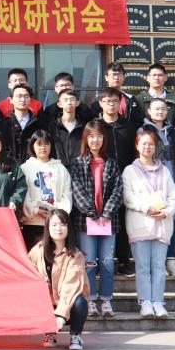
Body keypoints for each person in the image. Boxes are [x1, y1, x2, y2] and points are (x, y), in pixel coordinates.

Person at [69, 120, 123, 318]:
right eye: (91, 136)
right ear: (85, 138)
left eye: (99, 136)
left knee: (107, 263)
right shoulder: (77, 163)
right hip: (86, 222)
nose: (95, 140)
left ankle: (106, 299)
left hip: (109, 222)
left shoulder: (112, 163)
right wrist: (92, 213)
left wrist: (107, 213)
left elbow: (118, 190)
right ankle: (90, 299)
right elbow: (77, 191)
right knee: (89, 262)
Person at [122, 129, 175, 318]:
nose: (147, 147)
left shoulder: (165, 171)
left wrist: (167, 212)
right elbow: (128, 197)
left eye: (151, 144)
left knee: (159, 267)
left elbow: (172, 196)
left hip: (162, 224)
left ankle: (158, 302)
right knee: (143, 267)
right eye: (144, 143)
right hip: (140, 224)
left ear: (156, 147)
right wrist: (147, 208)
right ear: (137, 146)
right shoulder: (130, 171)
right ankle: (145, 302)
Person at [141, 97, 175, 277]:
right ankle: (158, 262)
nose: (160, 112)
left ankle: (171, 261)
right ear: (149, 111)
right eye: (156, 109)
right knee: (155, 219)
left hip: (173, 178)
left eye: (163, 109)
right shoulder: (143, 130)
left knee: (170, 219)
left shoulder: (173, 131)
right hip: (152, 180)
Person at [28, 209, 89, 350]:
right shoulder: (38, 250)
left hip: (68, 302)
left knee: (80, 302)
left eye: (62, 224)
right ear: (47, 228)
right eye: (54, 225)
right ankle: (49, 332)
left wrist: (61, 313)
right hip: (47, 301)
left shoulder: (75, 255)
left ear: (69, 227)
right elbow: (27, 271)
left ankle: (76, 335)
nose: (58, 228)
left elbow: (71, 286)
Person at [96, 86, 138, 277]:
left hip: (125, 180)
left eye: (114, 101)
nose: (111, 105)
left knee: (122, 222)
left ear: (120, 103)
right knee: (101, 219)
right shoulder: (95, 127)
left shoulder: (128, 127)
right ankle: (100, 261)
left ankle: (124, 261)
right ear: (100, 103)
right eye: (107, 101)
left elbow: (135, 154)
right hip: (101, 180)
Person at [19, 130, 72, 250]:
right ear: (32, 146)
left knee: (55, 255)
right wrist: (35, 210)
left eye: (46, 143)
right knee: (34, 256)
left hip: (55, 224)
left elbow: (66, 194)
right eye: (39, 144)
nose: (43, 147)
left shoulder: (60, 168)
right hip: (33, 223)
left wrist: (56, 212)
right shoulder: (25, 168)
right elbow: (23, 194)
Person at [0, 84, 42, 163]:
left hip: (34, 166)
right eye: (19, 96)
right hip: (11, 167)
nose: (23, 100)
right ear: (11, 100)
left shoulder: (39, 124)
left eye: (26, 96)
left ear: (30, 100)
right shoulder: (4, 125)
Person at [133, 64, 175, 132]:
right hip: (146, 137)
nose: (157, 78)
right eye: (154, 75)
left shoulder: (173, 99)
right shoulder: (138, 99)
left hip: (167, 136)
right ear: (148, 78)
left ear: (166, 78)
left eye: (160, 75)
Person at [49, 88, 85, 165]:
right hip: (57, 167)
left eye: (72, 100)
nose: (69, 103)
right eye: (65, 100)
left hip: (79, 167)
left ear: (77, 103)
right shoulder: (52, 126)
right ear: (59, 104)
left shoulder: (84, 126)